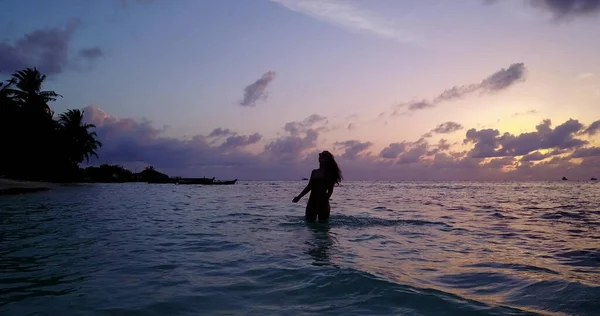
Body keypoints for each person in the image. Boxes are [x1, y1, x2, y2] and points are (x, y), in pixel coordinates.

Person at [292, 150, 343, 222]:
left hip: (323, 203)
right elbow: (309, 187)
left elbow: (330, 191)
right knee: (310, 225)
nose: (320, 156)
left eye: (323, 155)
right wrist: (299, 197)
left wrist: (324, 202)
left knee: (323, 228)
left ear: (328, 159)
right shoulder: (314, 172)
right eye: (320, 155)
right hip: (311, 202)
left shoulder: (329, 174)